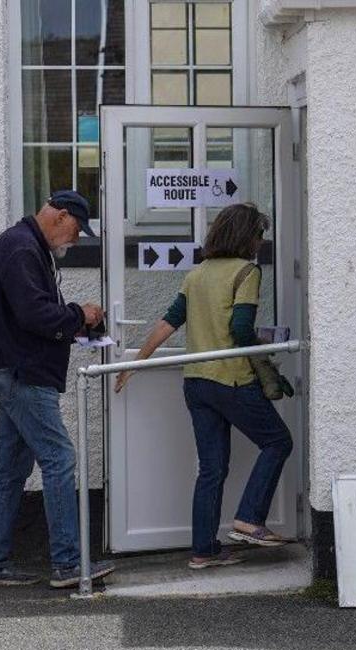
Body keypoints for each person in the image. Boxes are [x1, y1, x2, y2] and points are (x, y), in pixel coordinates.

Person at [115, 203, 293, 570]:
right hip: (232, 381)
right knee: (278, 441)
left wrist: (134, 364)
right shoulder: (247, 272)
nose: (261, 242)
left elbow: (169, 323)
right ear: (247, 237)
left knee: (211, 468)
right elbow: (242, 329)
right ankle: (250, 519)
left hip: (196, 383)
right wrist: (268, 368)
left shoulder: (196, 274)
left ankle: (204, 550)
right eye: (259, 235)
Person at [0, 189, 116, 588]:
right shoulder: (22, 249)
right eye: (76, 230)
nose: (75, 239)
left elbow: (30, 313)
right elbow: (34, 314)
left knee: (11, 469)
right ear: (61, 216)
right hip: (25, 374)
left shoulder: (21, 244)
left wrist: (72, 320)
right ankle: (68, 563)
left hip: (13, 370)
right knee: (59, 459)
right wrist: (79, 314)